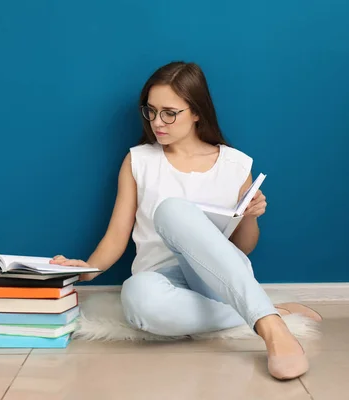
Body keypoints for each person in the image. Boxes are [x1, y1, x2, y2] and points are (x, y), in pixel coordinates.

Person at [50, 61, 322, 380]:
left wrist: (250, 217)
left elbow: (243, 248)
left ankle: (271, 328)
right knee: (136, 297)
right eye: (150, 111)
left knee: (172, 210)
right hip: (160, 281)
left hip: (220, 279)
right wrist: (83, 272)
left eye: (169, 112)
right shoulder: (139, 161)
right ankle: (271, 311)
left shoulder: (235, 164)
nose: (157, 122)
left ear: (196, 112)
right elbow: (117, 235)